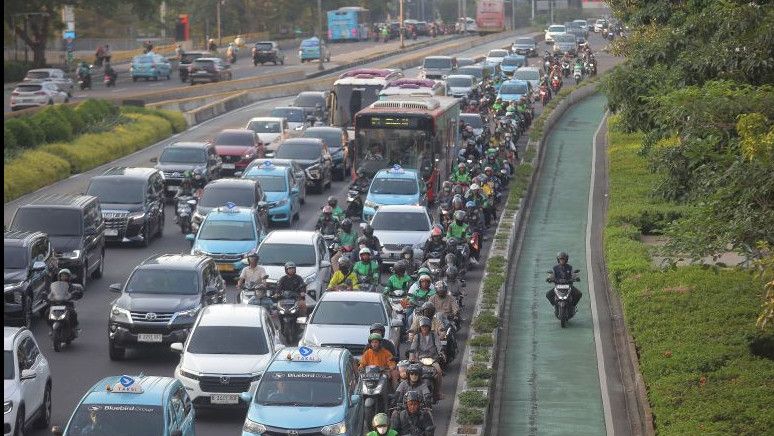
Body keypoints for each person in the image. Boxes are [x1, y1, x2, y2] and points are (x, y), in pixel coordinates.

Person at [408, 317, 444, 401]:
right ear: (420, 327)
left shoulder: (433, 335)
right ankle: (411, 390)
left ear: (429, 327)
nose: (424, 328)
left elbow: (438, 345)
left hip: (433, 359)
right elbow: (413, 347)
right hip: (420, 360)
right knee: (412, 372)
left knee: (439, 372)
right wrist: (411, 357)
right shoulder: (417, 336)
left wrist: (441, 352)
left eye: (426, 326)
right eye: (422, 327)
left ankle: (438, 392)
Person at [49, 269, 81, 333]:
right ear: (59, 277)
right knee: (47, 312)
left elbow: (75, 293)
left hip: (67, 304)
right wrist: (48, 296)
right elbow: (52, 293)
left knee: (73, 313)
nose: (63, 277)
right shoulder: (56, 285)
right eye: (62, 276)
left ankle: (75, 326)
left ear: (69, 277)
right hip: (57, 304)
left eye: (65, 276)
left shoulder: (71, 286)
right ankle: (51, 327)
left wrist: (74, 294)